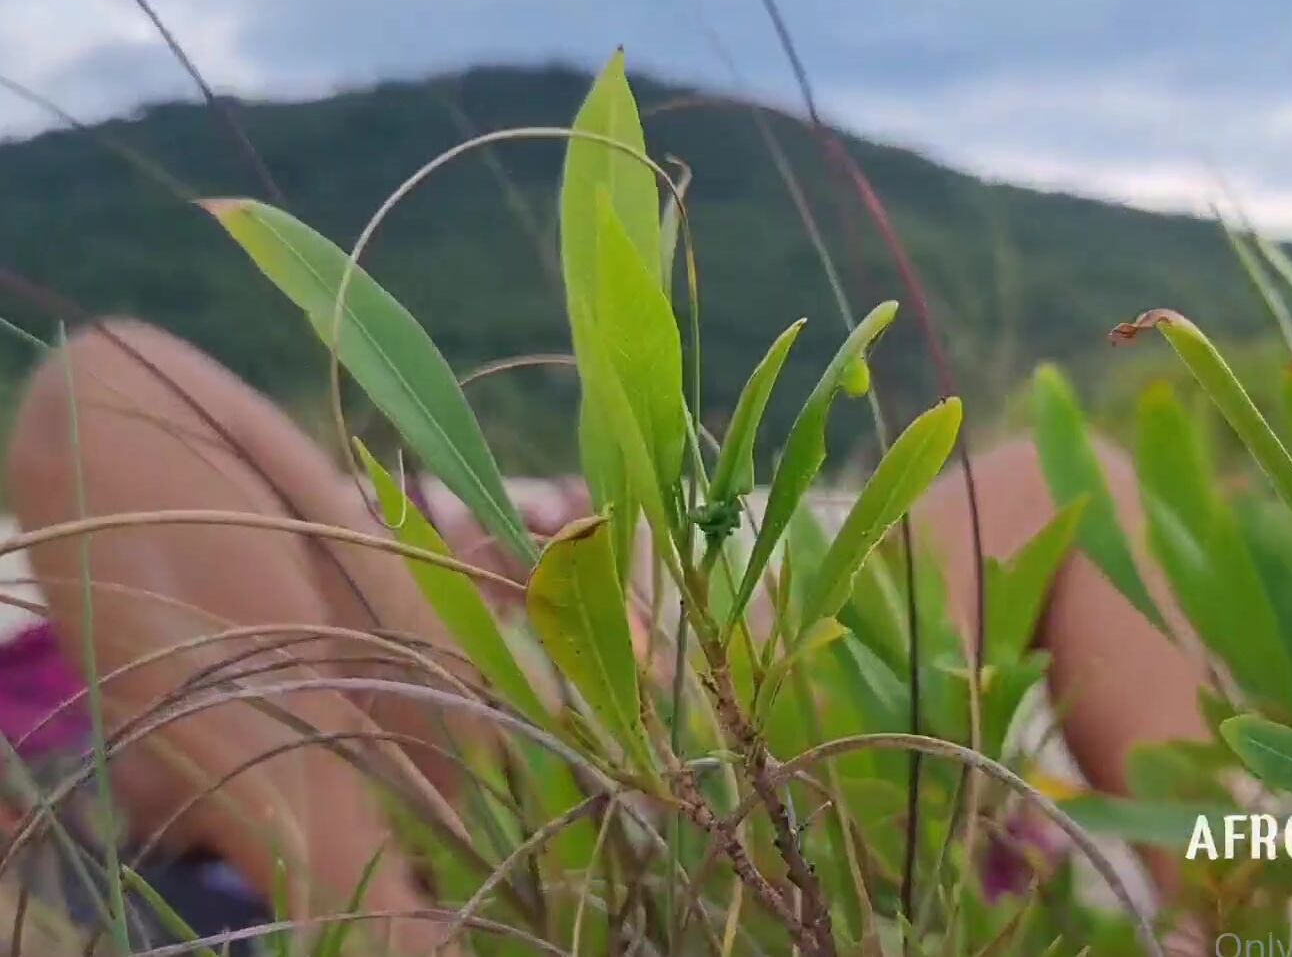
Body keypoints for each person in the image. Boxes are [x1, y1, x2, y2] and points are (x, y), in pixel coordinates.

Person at [1, 319, 1208, 953]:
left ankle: (1235, 910)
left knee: (1062, 478)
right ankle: (386, 940)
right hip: (439, 808)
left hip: (672, 756)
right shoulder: (101, 658)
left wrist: (556, 576)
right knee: (108, 381)